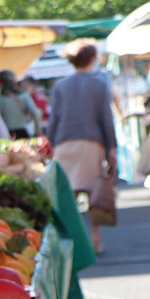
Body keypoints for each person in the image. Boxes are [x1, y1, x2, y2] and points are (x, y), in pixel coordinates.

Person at [46, 39, 117, 255]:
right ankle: (95, 241)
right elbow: (106, 118)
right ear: (93, 59)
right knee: (94, 195)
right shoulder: (99, 85)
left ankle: (69, 244)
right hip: (91, 142)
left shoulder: (60, 86)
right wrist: (111, 147)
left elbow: (54, 119)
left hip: (63, 143)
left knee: (67, 196)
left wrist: (50, 145)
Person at [0, 70, 42, 139]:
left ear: (0, 83)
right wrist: (37, 131)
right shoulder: (24, 96)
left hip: (7, 135)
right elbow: (36, 113)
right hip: (24, 133)